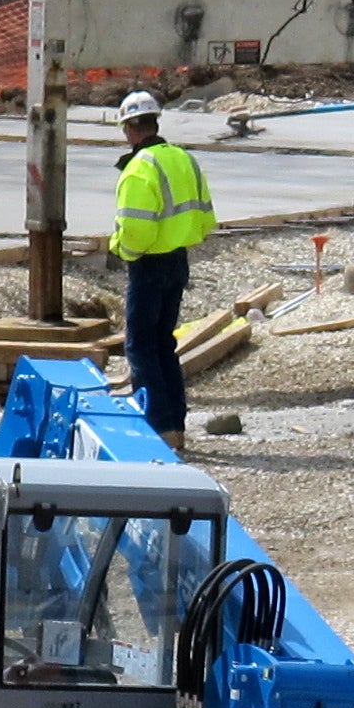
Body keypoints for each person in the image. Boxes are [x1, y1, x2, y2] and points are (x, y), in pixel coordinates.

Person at [108, 90, 215, 448]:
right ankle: (175, 428)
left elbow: (136, 230)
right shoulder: (184, 159)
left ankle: (157, 428)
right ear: (155, 122)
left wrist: (122, 249)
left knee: (140, 347)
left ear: (128, 128)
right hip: (177, 260)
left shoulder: (139, 169)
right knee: (163, 344)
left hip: (148, 263)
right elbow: (205, 219)